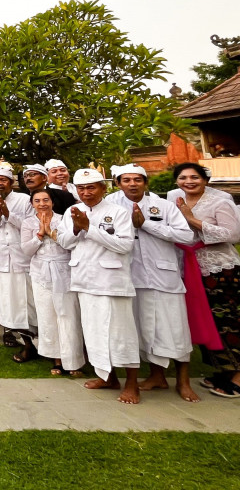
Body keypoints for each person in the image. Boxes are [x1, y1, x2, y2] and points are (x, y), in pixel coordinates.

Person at [108, 164, 198, 401]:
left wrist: (146, 224)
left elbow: (186, 236)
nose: (132, 184)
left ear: (145, 183)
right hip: (131, 277)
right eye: (126, 180)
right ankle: (157, 376)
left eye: (137, 180)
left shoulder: (164, 206)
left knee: (175, 328)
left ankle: (183, 381)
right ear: (118, 184)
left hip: (164, 277)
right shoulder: (111, 207)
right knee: (143, 330)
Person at [57, 168, 141, 404]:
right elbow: (64, 242)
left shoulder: (118, 212)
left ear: (103, 188)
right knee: (94, 332)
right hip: (84, 279)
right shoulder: (72, 211)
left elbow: (125, 246)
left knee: (121, 332)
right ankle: (108, 378)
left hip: (111, 282)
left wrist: (88, 228)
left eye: (91, 187)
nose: (86, 192)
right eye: (81, 188)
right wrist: (76, 228)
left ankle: (132, 384)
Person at [167, 162, 240, 398]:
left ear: (205, 180)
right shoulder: (174, 197)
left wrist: (192, 220)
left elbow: (232, 234)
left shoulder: (220, 201)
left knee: (227, 320)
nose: (189, 182)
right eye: (183, 178)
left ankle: (239, 376)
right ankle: (225, 370)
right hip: (189, 268)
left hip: (219, 269)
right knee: (204, 320)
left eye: (195, 177)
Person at [20, 189, 85, 376]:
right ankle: (56, 359)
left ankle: (73, 361)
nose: (42, 204)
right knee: (47, 316)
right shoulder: (28, 223)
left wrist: (52, 233)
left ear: (52, 202)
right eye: (37, 201)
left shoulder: (64, 219)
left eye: (45, 200)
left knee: (68, 315)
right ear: (32, 204)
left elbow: (71, 245)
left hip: (64, 271)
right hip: (40, 273)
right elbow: (26, 250)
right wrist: (40, 235)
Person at [0, 167, 38, 359]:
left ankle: (33, 342)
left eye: (3, 180)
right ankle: (16, 336)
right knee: (8, 301)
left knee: (26, 302)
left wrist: (9, 215)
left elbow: (30, 227)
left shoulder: (24, 200)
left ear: (11, 182)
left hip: (21, 258)